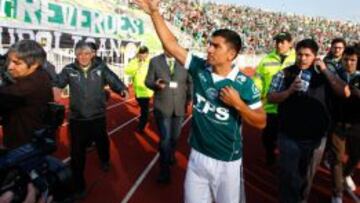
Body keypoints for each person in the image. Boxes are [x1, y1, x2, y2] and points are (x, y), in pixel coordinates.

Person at [134, 1, 266, 202]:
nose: (209, 49)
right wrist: (154, 12)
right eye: (209, 44)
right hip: (197, 156)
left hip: (227, 162)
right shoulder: (199, 68)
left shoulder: (244, 85)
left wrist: (238, 105)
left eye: (215, 46)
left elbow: (261, 121)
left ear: (231, 54)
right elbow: (171, 44)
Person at [267, 39, 350, 203]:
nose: (302, 58)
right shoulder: (285, 73)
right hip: (289, 135)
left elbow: (344, 92)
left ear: (315, 57)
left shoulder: (325, 74)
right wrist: (289, 91)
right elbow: (271, 97)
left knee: (307, 177)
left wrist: (325, 70)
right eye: (299, 54)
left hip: (316, 138)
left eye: (307, 55)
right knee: (288, 176)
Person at [52, 40, 128, 197]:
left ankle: (105, 160)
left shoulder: (101, 68)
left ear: (93, 54)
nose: (83, 57)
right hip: (77, 119)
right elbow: (58, 82)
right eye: (79, 54)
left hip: (97, 116)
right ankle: (79, 186)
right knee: (77, 154)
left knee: (102, 142)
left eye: (87, 53)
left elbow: (113, 79)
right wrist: (55, 89)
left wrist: (122, 89)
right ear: (75, 55)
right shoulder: (69, 69)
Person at [145, 49, 192, 183]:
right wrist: (155, 85)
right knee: (165, 139)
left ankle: (171, 154)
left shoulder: (184, 61)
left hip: (179, 106)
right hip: (162, 106)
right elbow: (148, 81)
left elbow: (190, 82)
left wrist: (190, 98)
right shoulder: (155, 61)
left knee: (175, 137)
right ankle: (164, 171)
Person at [0, 40, 54, 149]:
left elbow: (5, 96)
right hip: (24, 143)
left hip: (25, 148)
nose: (10, 67)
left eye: (17, 63)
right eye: (9, 61)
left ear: (34, 64)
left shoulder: (32, 84)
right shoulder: (41, 74)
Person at [253, 31, 296, 165]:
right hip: (270, 106)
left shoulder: (298, 58)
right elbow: (258, 79)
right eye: (277, 41)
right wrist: (257, 94)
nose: (279, 44)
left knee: (288, 138)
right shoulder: (266, 60)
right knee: (268, 137)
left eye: (283, 42)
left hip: (290, 107)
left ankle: (285, 160)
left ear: (290, 43)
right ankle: (270, 154)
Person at [331, 46, 360, 203]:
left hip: (357, 125)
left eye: (353, 60)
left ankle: (346, 174)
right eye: (346, 59)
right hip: (337, 123)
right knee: (336, 158)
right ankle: (337, 194)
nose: (349, 63)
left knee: (355, 157)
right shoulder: (334, 75)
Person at [125, 46, 153, 132]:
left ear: (147, 54)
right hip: (137, 91)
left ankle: (141, 126)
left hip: (147, 90)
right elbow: (127, 71)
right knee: (143, 108)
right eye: (141, 54)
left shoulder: (151, 62)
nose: (142, 56)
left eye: (144, 54)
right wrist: (137, 65)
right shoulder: (135, 61)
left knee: (144, 110)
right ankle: (145, 118)